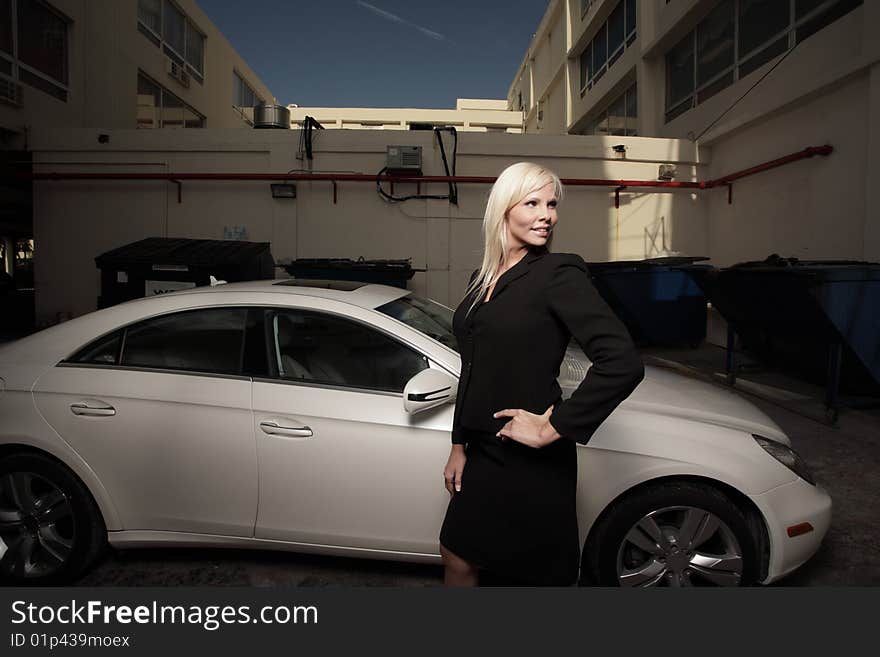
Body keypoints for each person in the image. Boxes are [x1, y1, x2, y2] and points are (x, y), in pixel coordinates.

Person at [439, 161, 645, 587]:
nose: (546, 214)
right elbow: (472, 366)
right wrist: (459, 444)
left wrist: (554, 426)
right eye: (532, 202)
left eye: (551, 204)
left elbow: (622, 360)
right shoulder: (482, 279)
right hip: (482, 452)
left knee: (532, 573)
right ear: (504, 208)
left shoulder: (558, 273)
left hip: (529, 458)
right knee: (457, 553)